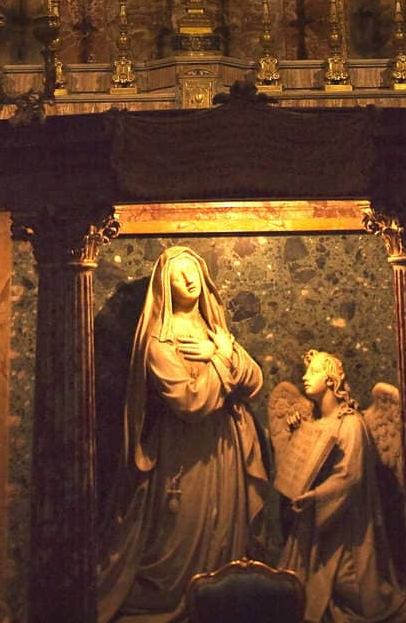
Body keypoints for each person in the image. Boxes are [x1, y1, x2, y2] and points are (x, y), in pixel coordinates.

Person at [98, 246, 268, 623]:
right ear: (165, 285)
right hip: (183, 452)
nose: (189, 279)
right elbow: (190, 402)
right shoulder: (159, 340)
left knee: (224, 529)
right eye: (179, 274)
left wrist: (219, 350)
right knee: (180, 536)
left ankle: (221, 607)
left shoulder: (216, 331)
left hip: (225, 448)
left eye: (194, 271)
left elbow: (254, 382)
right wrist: (223, 359)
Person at [281, 351, 406, 623]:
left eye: (313, 371)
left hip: (347, 529)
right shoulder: (315, 424)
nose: (305, 377)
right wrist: (297, 435)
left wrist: (315, 497)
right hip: (316, 526)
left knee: (346, 585)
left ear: (331, 379)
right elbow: (304, 468)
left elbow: (351, 476)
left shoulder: (351, 423)